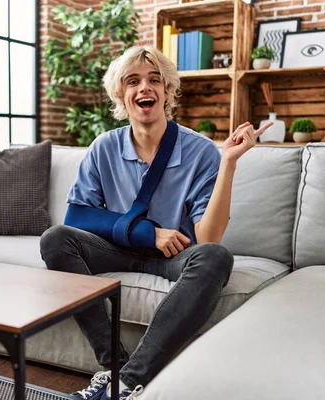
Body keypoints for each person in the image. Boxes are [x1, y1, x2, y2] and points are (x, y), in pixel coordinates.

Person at [39, 45, 272, 400]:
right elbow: (77, 216)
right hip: (118, 250)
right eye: (133, 81)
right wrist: (147, 232)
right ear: (121, 95)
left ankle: (126, 381)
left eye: (154, 80)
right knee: (55, 239)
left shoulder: (201, 151)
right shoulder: (104, 147)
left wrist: (228, 164)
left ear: (167, 92)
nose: (144, 87)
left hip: (174, 257)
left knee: (215, 258)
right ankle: (114, 368)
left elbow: (208, 238)